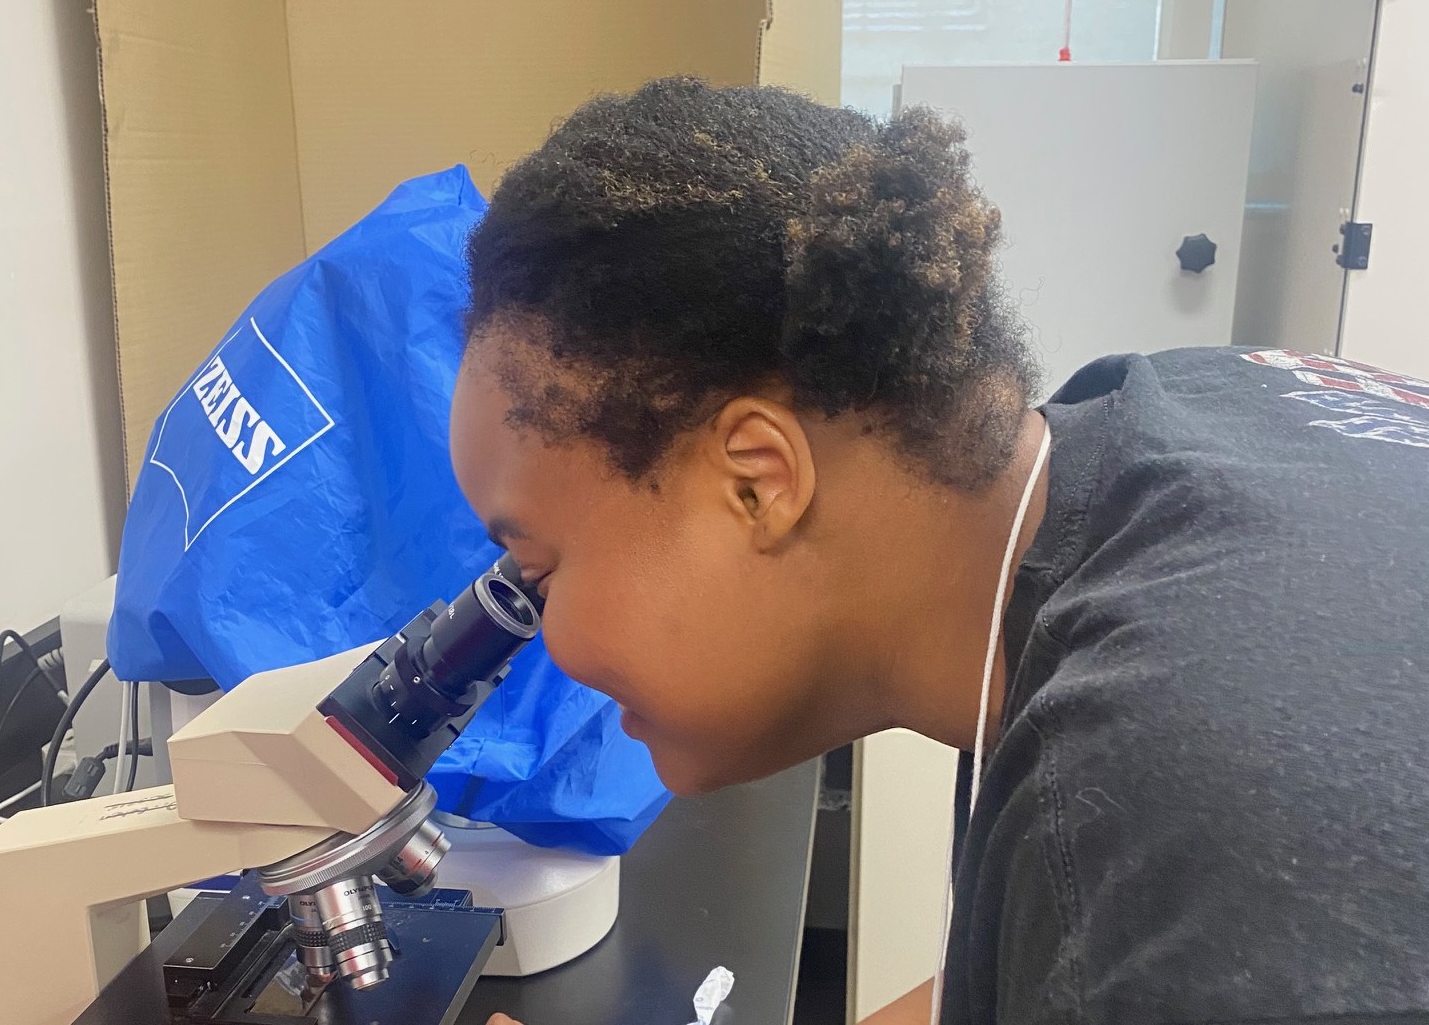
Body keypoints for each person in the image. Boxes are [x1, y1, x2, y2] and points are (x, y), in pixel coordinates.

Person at [453, 77, 1429, 1025]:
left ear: (758, 479)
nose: (551, 645)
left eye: (541, 569)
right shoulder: (1151, 424)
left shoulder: (1173, 806)